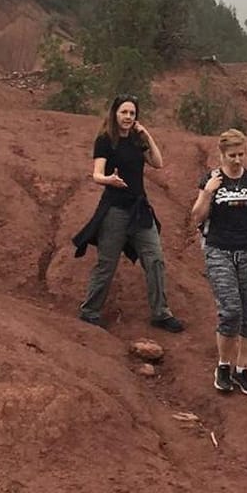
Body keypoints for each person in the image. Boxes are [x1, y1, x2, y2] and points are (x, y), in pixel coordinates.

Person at [73, 94, 184, 333]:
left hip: (139, 209)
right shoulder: (105, 140)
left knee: (155, 258)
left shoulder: (137, 140)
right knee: (107, 263)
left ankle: (161, 313)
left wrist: (148, 136)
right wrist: (109, 180)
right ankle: (89, 311)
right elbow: (96, 174)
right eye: (124, 112)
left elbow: (158, 163)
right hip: (114, 210)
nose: (128, 117)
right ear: (115, 113)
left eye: (132, 113)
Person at [191, 129, 247, 396]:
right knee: (230, 310)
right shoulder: (211, 179)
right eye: (232, 156)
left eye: (241, 154)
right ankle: (223, 366)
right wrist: (207, 193)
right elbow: (196, 216)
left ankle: (242, 370)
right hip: (219, 250)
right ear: (222, 155)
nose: (238, 160)